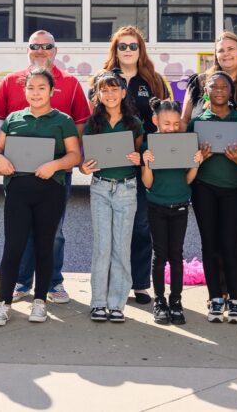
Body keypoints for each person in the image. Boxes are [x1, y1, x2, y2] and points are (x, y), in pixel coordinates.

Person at [0, 30, 90, 305]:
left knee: (53, 232)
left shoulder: (70, 83)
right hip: (19, 177)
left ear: (55, 50)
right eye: (35, 46)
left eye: (47, 46)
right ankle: (22, 282)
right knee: (20, 233)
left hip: (54, 177)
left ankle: (53, 283)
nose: (41, 50)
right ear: (28, 50)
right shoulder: (10, 82)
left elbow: (79, 126)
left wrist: (66, 162)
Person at [180, 31, 237, 308]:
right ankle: (217, 290)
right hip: (207, 170)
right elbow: (184, 121)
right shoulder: (200, 82)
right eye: (221, 50)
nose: (226, 54)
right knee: (213, 233)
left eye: (231, 49)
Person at [92, 26, 170, 306]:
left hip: (145, 160)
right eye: (122, 46)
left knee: (139, 225)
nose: (127, 51)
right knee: (110, 229)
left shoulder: (154, 81)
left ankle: (139, 282)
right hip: (111, 163)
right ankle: (114, 283)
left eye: (133, 46)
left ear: (141, 50)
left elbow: (166, 118)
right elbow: (93, 121)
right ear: (115, 49)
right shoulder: (100, 81)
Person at [80, 72, 144, 323]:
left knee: (121, 246)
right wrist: (84, 168)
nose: (110, 95)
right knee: (102, 247)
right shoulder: (92, 123)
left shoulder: (134, 123)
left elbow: (140, 154)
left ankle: (117, 303)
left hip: (127, 188)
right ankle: (98, 302)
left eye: (114, 89)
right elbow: (85, 161)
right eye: (104, 90)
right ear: (97, 95)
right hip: (100, 188)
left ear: (123, 92)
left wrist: (139, 160)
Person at [187, 71, 237, 324]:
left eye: (225, 86)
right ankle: (215, 298)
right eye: (214, 86)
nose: (220, 90)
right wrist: (199, 158)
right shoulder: (196, 122)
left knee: (230, 245)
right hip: (204, 189)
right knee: (209, 244)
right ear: (206, 91)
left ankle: (234, 299)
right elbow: (188, 161)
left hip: (233, 190)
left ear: (231, 91)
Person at [141, 97, 206, 326]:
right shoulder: (149, 144)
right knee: (160, 255)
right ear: (155, 120)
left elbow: (188, 180)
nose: (171, 128)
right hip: (156, 206)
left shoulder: (186, 143)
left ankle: (176, 301)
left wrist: (196, 163)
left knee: (176, 255)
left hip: (179, 206)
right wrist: (146, 163)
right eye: (166, 123)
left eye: (175, 124)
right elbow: (148, 184)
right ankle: (159, 301)